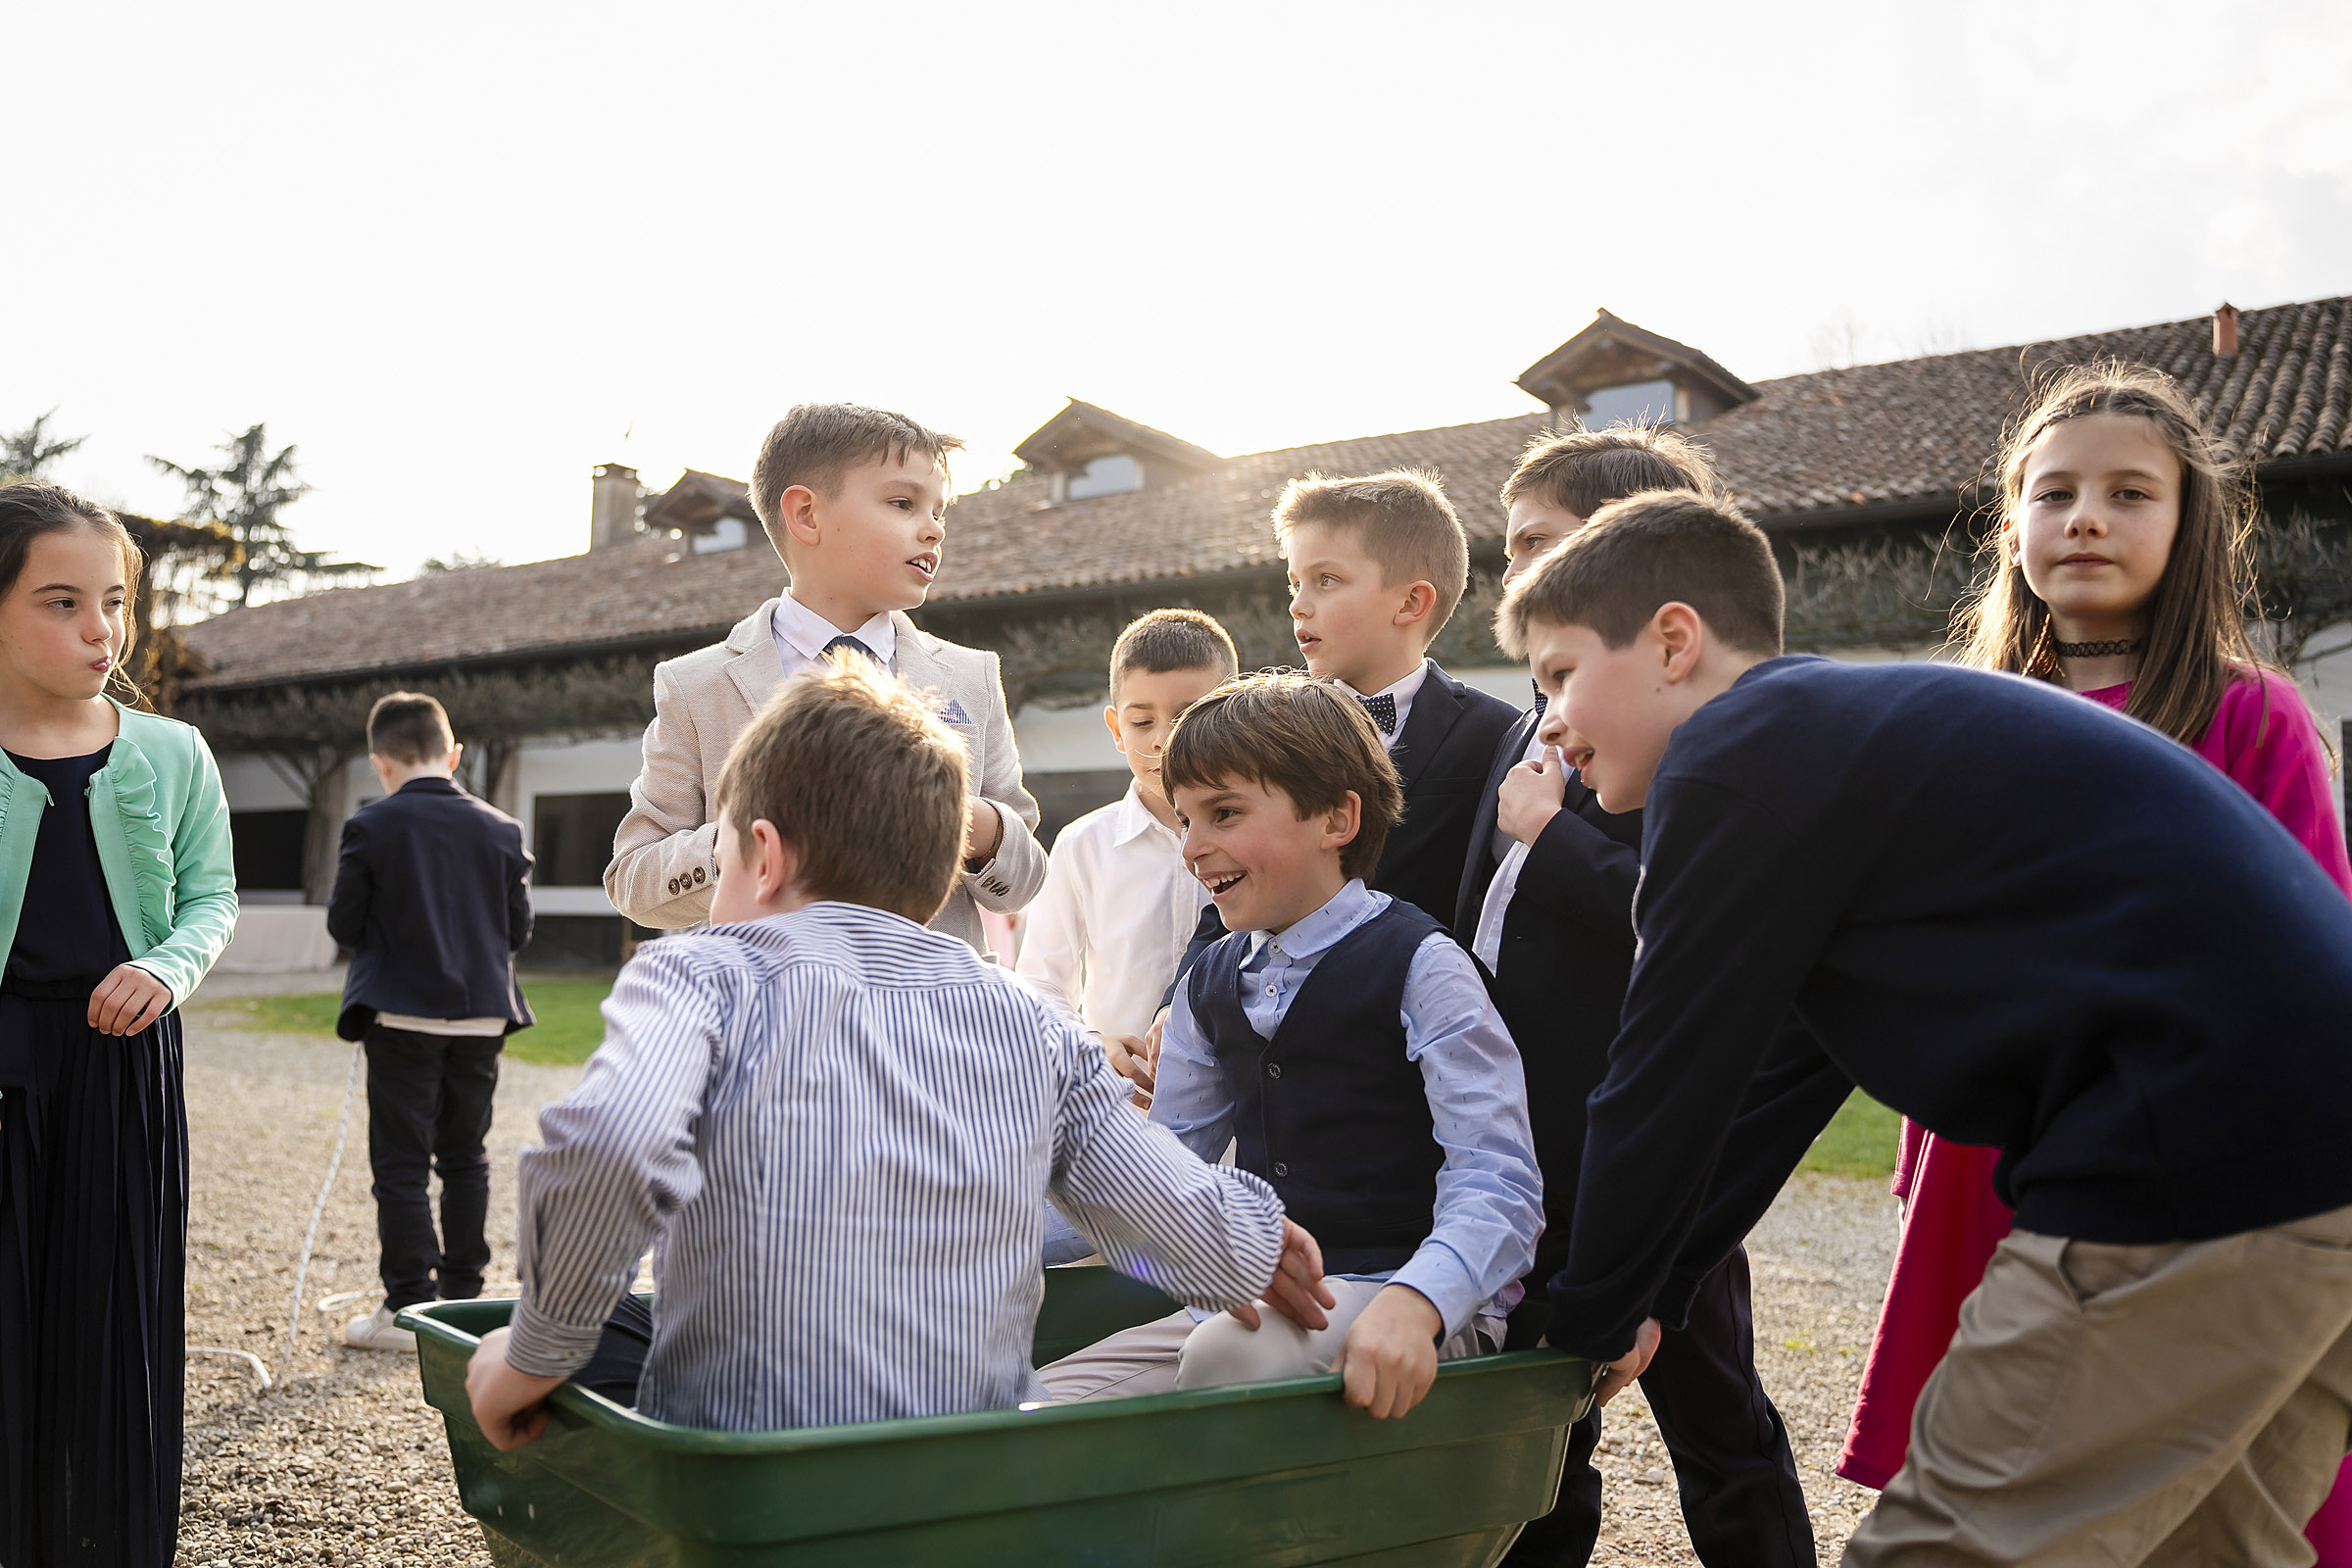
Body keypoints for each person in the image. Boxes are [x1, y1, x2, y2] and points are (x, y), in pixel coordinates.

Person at [1501, 488, 2352, 1566]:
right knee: (2204, 1545)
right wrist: (1657, 1291)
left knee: (1941, 1547)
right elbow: (1777, 1082)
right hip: (2316, 1162)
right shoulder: (1834, 752)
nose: (1552, 722)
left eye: (1563, 675)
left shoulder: (1733, 755)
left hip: (2188, 1152)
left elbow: (1664, 1074)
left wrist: (1583, 1318)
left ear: (1675, 641)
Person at [466, 655, 1311, 1442]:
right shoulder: (1029, 1022)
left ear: (761, 855)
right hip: (961, 1454)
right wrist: (1252, 1247)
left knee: (553, 1338)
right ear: (941, 869)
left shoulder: (701, 977)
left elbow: (609, 1149)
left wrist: (534, 1351)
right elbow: (1148, 1191)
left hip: (752, 1455)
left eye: (720, 856)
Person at [1840, 361, 2352, 1562]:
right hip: (1992, 1149)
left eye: (2131, 493)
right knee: (2005, 1468)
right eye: (2055, 491)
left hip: (2189, 1153)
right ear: (2011, 519)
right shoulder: (1947, 721)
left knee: (2186, 1479)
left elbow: (2317, 944)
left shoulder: (2251, 715)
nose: (2085, 518)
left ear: (2189, 524)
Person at [1457, 429, 1812, 1568]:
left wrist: (1556, 838)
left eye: (1541, 545)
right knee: (1545, 1422)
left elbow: (1695, 918)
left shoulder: (1691, 728)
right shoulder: (1530, 716)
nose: (1516, 573)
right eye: (1510, 550)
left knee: (1716, 1420)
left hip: (1658, 1128)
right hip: (1526, 1128)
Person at [1038, 672, 1544, 1420]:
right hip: (1266, 1302)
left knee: (1224, 1354)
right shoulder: (1209, 983)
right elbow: (1151, 1169)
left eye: (1224, 813)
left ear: (1337, 819)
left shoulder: (1422, 964)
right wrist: (988, 1230)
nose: (1192, 850)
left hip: (1422, 1301)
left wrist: (1420, 1300)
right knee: (1020, 1406)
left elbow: (1499, 1178)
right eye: (1184, 822)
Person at [0, 482, 238, 1568]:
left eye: (115, 599)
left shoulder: (176, 754)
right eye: (61, 601)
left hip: (122, 1066)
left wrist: (165, 967)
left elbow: (212, 899)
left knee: (115, 1332)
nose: (102, 630)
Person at [604, 403, 1046, 956]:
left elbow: (1023, 880)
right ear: (806, 515)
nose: (934, 529)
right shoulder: (696, 686)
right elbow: (634, 881)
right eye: (904, 503)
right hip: (769, 1018)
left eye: (940, 511)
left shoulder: (970, 676)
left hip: (929, 1019)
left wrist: (966, 821)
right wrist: (744, 841)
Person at [328, 691, 536, 1353]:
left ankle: (407, 1307)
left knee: (400, 1163)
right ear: (454, 755)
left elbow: (343, 924)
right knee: (466, 1158)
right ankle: (464, 1300)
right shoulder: (503, 830)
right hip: (480, 1018)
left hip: (401, 1015)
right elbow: (517, 930)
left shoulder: (371, 827)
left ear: (379, 763)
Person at [1015, 609, 1235, 1100]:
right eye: (1142, 721)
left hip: (1240, 1113)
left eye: (1187, 715)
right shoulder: (1081, 847)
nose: (1162, 738)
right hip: (1122, 1112)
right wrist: (1089, 1045)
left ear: (1229, 712)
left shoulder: (1260, 839)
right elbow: (1040, 984)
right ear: (1116, 728)